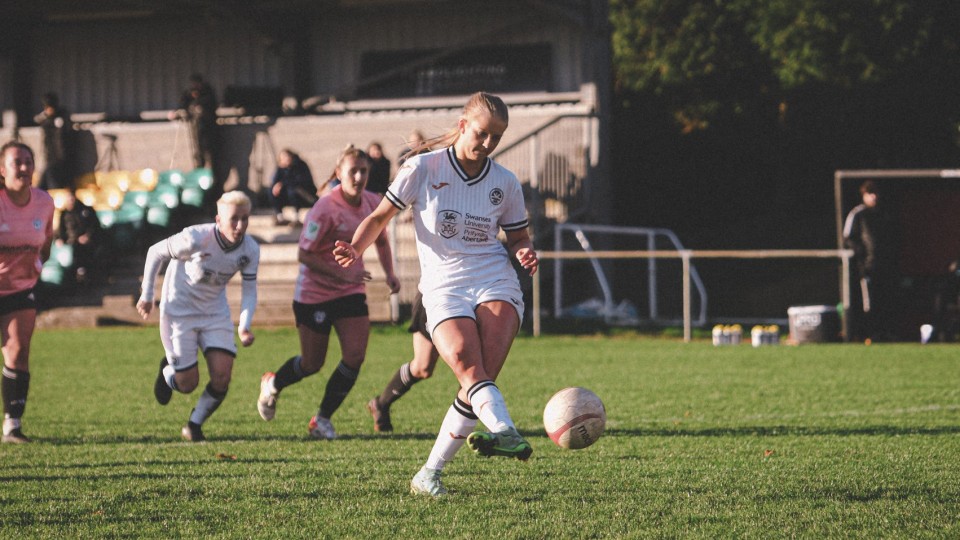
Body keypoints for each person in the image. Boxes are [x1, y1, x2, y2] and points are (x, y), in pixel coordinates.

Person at [334, 92, 539, 497]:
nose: (488, 144)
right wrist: (355, 249)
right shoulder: (423, 168)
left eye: (496, 138)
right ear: (463, 126)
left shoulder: (505, 182)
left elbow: (517, 236)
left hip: (495, 279)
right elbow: (379, 217)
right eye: (482, 134)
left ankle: (429, 475)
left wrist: (524, 251)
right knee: (466, 363)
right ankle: (504, 430)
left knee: (478, 380)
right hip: (443, 285)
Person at [257, 145, 400, 440]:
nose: (359, 176)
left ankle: (321, 419)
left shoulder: (373, 202)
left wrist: (391, 274)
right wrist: (342, 272)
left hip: (350, 292)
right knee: (312, 364)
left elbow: (382, 241)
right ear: (338, 173)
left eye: (364, 171)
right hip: (315, 295)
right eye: (353, 171)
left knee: (355, 356)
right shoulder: (324, 208)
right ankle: (273, 382)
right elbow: (304, 255)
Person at [136, 190, 260, 442]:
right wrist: (147, 295)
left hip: (215, 312)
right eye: (234, 219)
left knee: (222, 376)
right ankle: (167, 372)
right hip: (179, 313)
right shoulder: (195, 238)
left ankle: (194, 425)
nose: (240, 225)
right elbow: (154, 252)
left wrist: (244, 326)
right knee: (187, 384)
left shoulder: (250, 249)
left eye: (245, 218)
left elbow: (249, 290)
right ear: (218, 220)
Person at [0, 141, 56, 443]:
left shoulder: (44, 202)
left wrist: (33, 266)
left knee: (19, 352)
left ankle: (12, 424)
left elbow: (46, 241)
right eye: (16, 162)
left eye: (28, 161)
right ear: (1, 169)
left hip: (20, 289)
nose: (23, 168)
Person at [365, 292, 439, 432]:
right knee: (422, 368)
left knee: (471, 365)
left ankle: (466, 424)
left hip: (483, 290)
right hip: (436, 292)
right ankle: (381, 404)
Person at [843, 180, 899, 343]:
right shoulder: (858, 214)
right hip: (867, 268)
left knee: (886, 300)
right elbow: (848, 238)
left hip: (885, 267)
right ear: (863, 195)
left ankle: (885, 333)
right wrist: (862, 254)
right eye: (870, 193)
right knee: (869, 303)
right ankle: (869, 334)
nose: (873, 197)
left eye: (875, 193)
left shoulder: (884, 213)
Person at [171, 74, 219, 171]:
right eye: (193, 84)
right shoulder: (189, 93)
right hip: (196, 129)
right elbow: (183, 103)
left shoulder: (207, 92)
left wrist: (198, 106)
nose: (195, 86)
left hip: (210, 128)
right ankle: (199, 171)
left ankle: (213, 178)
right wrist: (177, 112)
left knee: (211, 153)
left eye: (197, 83)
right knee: (198, 153)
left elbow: (210, 104)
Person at [56, 189, 102, 283]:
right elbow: (60, 230)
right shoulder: (63, 214)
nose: (70, 201)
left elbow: (94, 226)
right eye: (68, 199)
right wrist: (59, 239)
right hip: (71, 242)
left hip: (85, 241)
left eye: (72, 198)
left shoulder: (85, 210)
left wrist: (87, 236)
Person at [34, 93, 75, 190]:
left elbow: (61, 142)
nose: (47, 111)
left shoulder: (61, 119)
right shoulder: (48, 119)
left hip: (59, 160)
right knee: (42, 186)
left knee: (54, 186)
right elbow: (37, 119)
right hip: (50, 159)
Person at [270, 149, 317, 226]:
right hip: (288, 196)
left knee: (292, 191)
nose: (286, 160)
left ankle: (296, 217)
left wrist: (283, 184)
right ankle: (280, 216)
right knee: (272, 190)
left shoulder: (300, 165)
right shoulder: (282, 168)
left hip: (306, 195)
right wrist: (280, 169)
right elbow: (274, 181)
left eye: (287, 157)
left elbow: (300, 181)